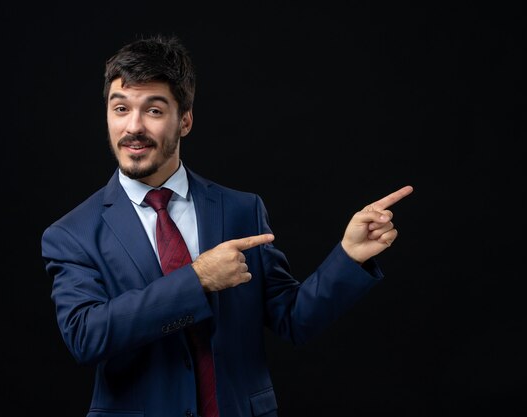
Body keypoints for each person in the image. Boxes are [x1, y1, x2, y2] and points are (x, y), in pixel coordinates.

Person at [41, 33, 413, 417]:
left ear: (184, 120)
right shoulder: (72, 234)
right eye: (120, 109)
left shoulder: (241, 210)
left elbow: (293, 319)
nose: (133, 127)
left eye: (153, 110)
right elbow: (86, 336)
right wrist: (198, 278)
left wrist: (348, 256)